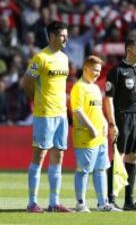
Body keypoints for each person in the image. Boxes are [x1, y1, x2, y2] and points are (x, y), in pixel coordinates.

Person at [23, 21, 73, 213]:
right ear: (52, 36)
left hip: (61, 114)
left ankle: (54, 202)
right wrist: (37, 100)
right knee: (39, 155)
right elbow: (27, 82)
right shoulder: (40, 58)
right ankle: (32, 203)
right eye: (62, 36)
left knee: (58, 156)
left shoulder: (64, 58)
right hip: (44, 114)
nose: (66, 38)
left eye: (66, 35)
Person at [105, 37, 136, 210]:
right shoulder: (117, 71)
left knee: (134, 157)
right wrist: (112, 123)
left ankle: (129, 201)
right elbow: (108, 99)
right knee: (119, 157)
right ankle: (110, 200)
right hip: (123, 117)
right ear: (129, 50)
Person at [71, 56, 121, 212]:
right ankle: (81, 204)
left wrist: (105, 123)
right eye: (94, 70)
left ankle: (102, 203)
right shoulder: (79, 87)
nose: (97, 73)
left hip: (100, 136)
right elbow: (77, 110)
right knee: (84, 170)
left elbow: (97, 110)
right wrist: (92, 127)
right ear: (86, 68)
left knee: (101, 169)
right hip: (86, 136)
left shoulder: (94, 87)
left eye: (99, 70)